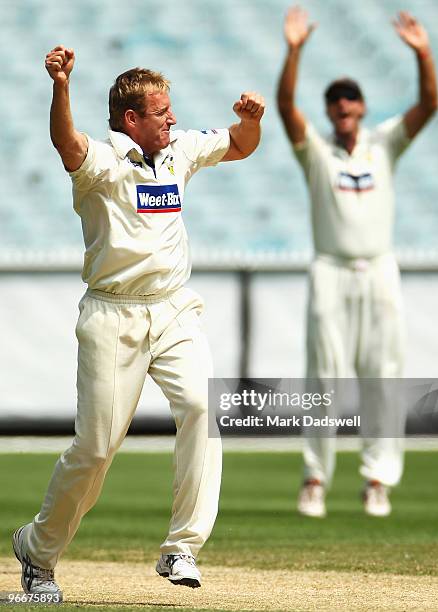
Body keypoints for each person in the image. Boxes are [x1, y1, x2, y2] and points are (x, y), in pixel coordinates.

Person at [12, 45, 265, 599]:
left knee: (202, 406)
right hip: (112, 313)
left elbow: (240, 145)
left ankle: (182, 547)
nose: (172, 119)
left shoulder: (179, 152)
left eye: (171, 111)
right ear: (131, 120)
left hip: (173, 307)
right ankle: (37, 550)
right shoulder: (103, 164)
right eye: (161, 112)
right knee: (96, 448)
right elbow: (66, 143)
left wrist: (250, 121)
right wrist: (61, 86)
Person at [277, 8, 438, 517]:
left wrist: (424, 54)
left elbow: (430, 105)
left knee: (382, 376)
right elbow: (284, 107)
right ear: (329, 111)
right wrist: (295, 51)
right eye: (335, 102)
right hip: (330, 269)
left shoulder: (383, 144)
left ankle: (376, 480)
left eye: (350, 100)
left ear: (362, 107)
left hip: (379, 268)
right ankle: (315, 478)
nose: (343, 107)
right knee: (323, 376)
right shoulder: (318, 153)